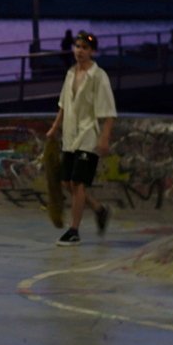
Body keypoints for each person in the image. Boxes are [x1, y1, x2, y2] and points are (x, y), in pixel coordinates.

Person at [44, 31, 116, 247]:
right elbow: (63, 105)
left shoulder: (99, 76)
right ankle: (99, 210)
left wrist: (104, 137)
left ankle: (74, 230)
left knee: (78, 183)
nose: (80, 51)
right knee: (66, 182)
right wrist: (54, 128)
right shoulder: (70, 73)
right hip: (70, 136)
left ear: (92, 51)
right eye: (77, 47)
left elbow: (109, 112)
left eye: (85, 48)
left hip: (88, 136)